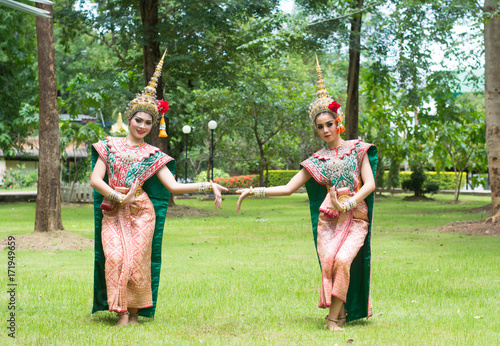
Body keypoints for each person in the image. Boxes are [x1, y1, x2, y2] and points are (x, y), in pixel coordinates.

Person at [236, 56, 377, 331]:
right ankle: (340, 316)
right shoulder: (316, 160)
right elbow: (288, 188)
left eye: (329, 124)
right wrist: (254, 191)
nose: (325, 130)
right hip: (330, 220)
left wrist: (350, 203)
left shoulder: (358, 149)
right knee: (330, 263)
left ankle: (332, 320)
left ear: (339, 123)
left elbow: (370, 185)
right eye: (320, 127)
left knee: (343, 260)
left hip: (356, 217)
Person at [90, 50, 227, 327]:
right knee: (115, 257)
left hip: (141, 212)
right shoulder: (109, 145)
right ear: (129, 118)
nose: (142, 125)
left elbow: (174, 187)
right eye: (138, 120)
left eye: (148, 122)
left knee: (138, 261)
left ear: (154, 125)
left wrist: (209, 184)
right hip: (114, 209)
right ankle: (120, 310)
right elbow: (96, 181)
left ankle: (132, 314)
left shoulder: (153, 154)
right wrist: (118, 196)